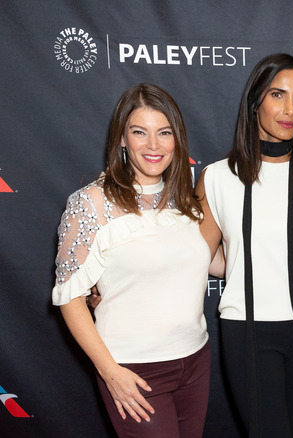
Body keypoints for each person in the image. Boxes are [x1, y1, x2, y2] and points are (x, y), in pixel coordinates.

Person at [195, 53, 293, 438]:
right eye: (278, 95)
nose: (289, 109)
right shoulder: (217, 178)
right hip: (247, 332)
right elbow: (194, 259)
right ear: (255, 101)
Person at [52, 83, 212, 437]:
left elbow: (212, 263)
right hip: (134, 369)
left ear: (177, 139)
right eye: (140, 132)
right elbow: (70, 299)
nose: (153, 146)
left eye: (164, 133)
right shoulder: (91, 203)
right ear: (122, 139)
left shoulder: (185, 197)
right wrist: (110, 371)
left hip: (196, 361)